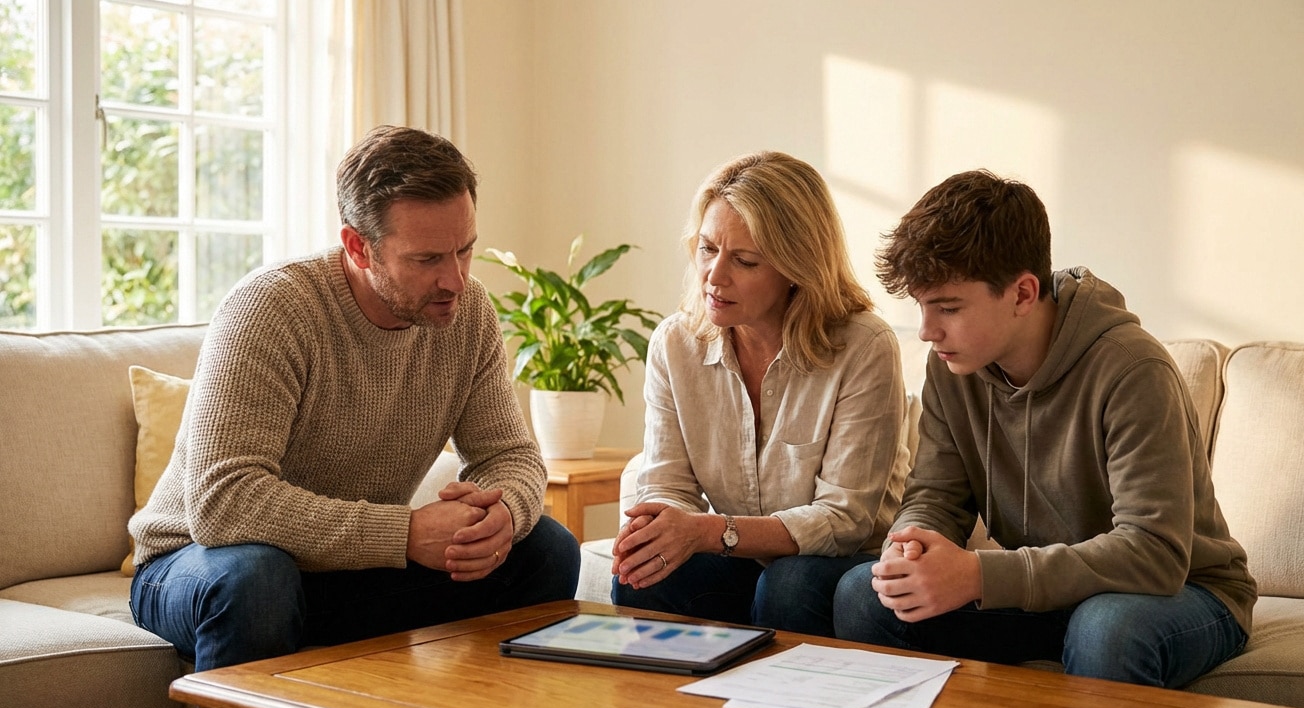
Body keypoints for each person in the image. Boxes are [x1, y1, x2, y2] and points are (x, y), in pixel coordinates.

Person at [128, 125, 580, 671]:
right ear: (357, 247)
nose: (455, 279)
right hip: (198, 565)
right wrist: (406, 532)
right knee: (258, 579)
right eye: (427, 259)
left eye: (465, 251)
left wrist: (503, 513)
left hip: (344, 572)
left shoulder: (468, 315)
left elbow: (508, 455)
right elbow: (225, 503)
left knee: (546, 550)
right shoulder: (271, 310)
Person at [833, 169, 1256, 688]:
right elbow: (936, 497)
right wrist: (910, 545)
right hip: (1050, 597)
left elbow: (1155, 553)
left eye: (948, 307)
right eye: (922, 306)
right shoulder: (950, 367)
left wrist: (979, 575)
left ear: (1023, 293)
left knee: (1106, 629)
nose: (927, 330)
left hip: (1183, 592)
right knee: (864, 595)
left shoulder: (1132, 369)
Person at [610, 150, 910, 637]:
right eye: (708, 249)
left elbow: (845, 519)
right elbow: (667, 483)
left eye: (744, 260)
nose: (715, 276)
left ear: (797, 266)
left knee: (789, 584)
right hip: (739, 562)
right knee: (642, 576)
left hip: (838, 565)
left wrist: (711, 531)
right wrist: (656, 529)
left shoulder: (864, 345)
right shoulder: (675, 343)